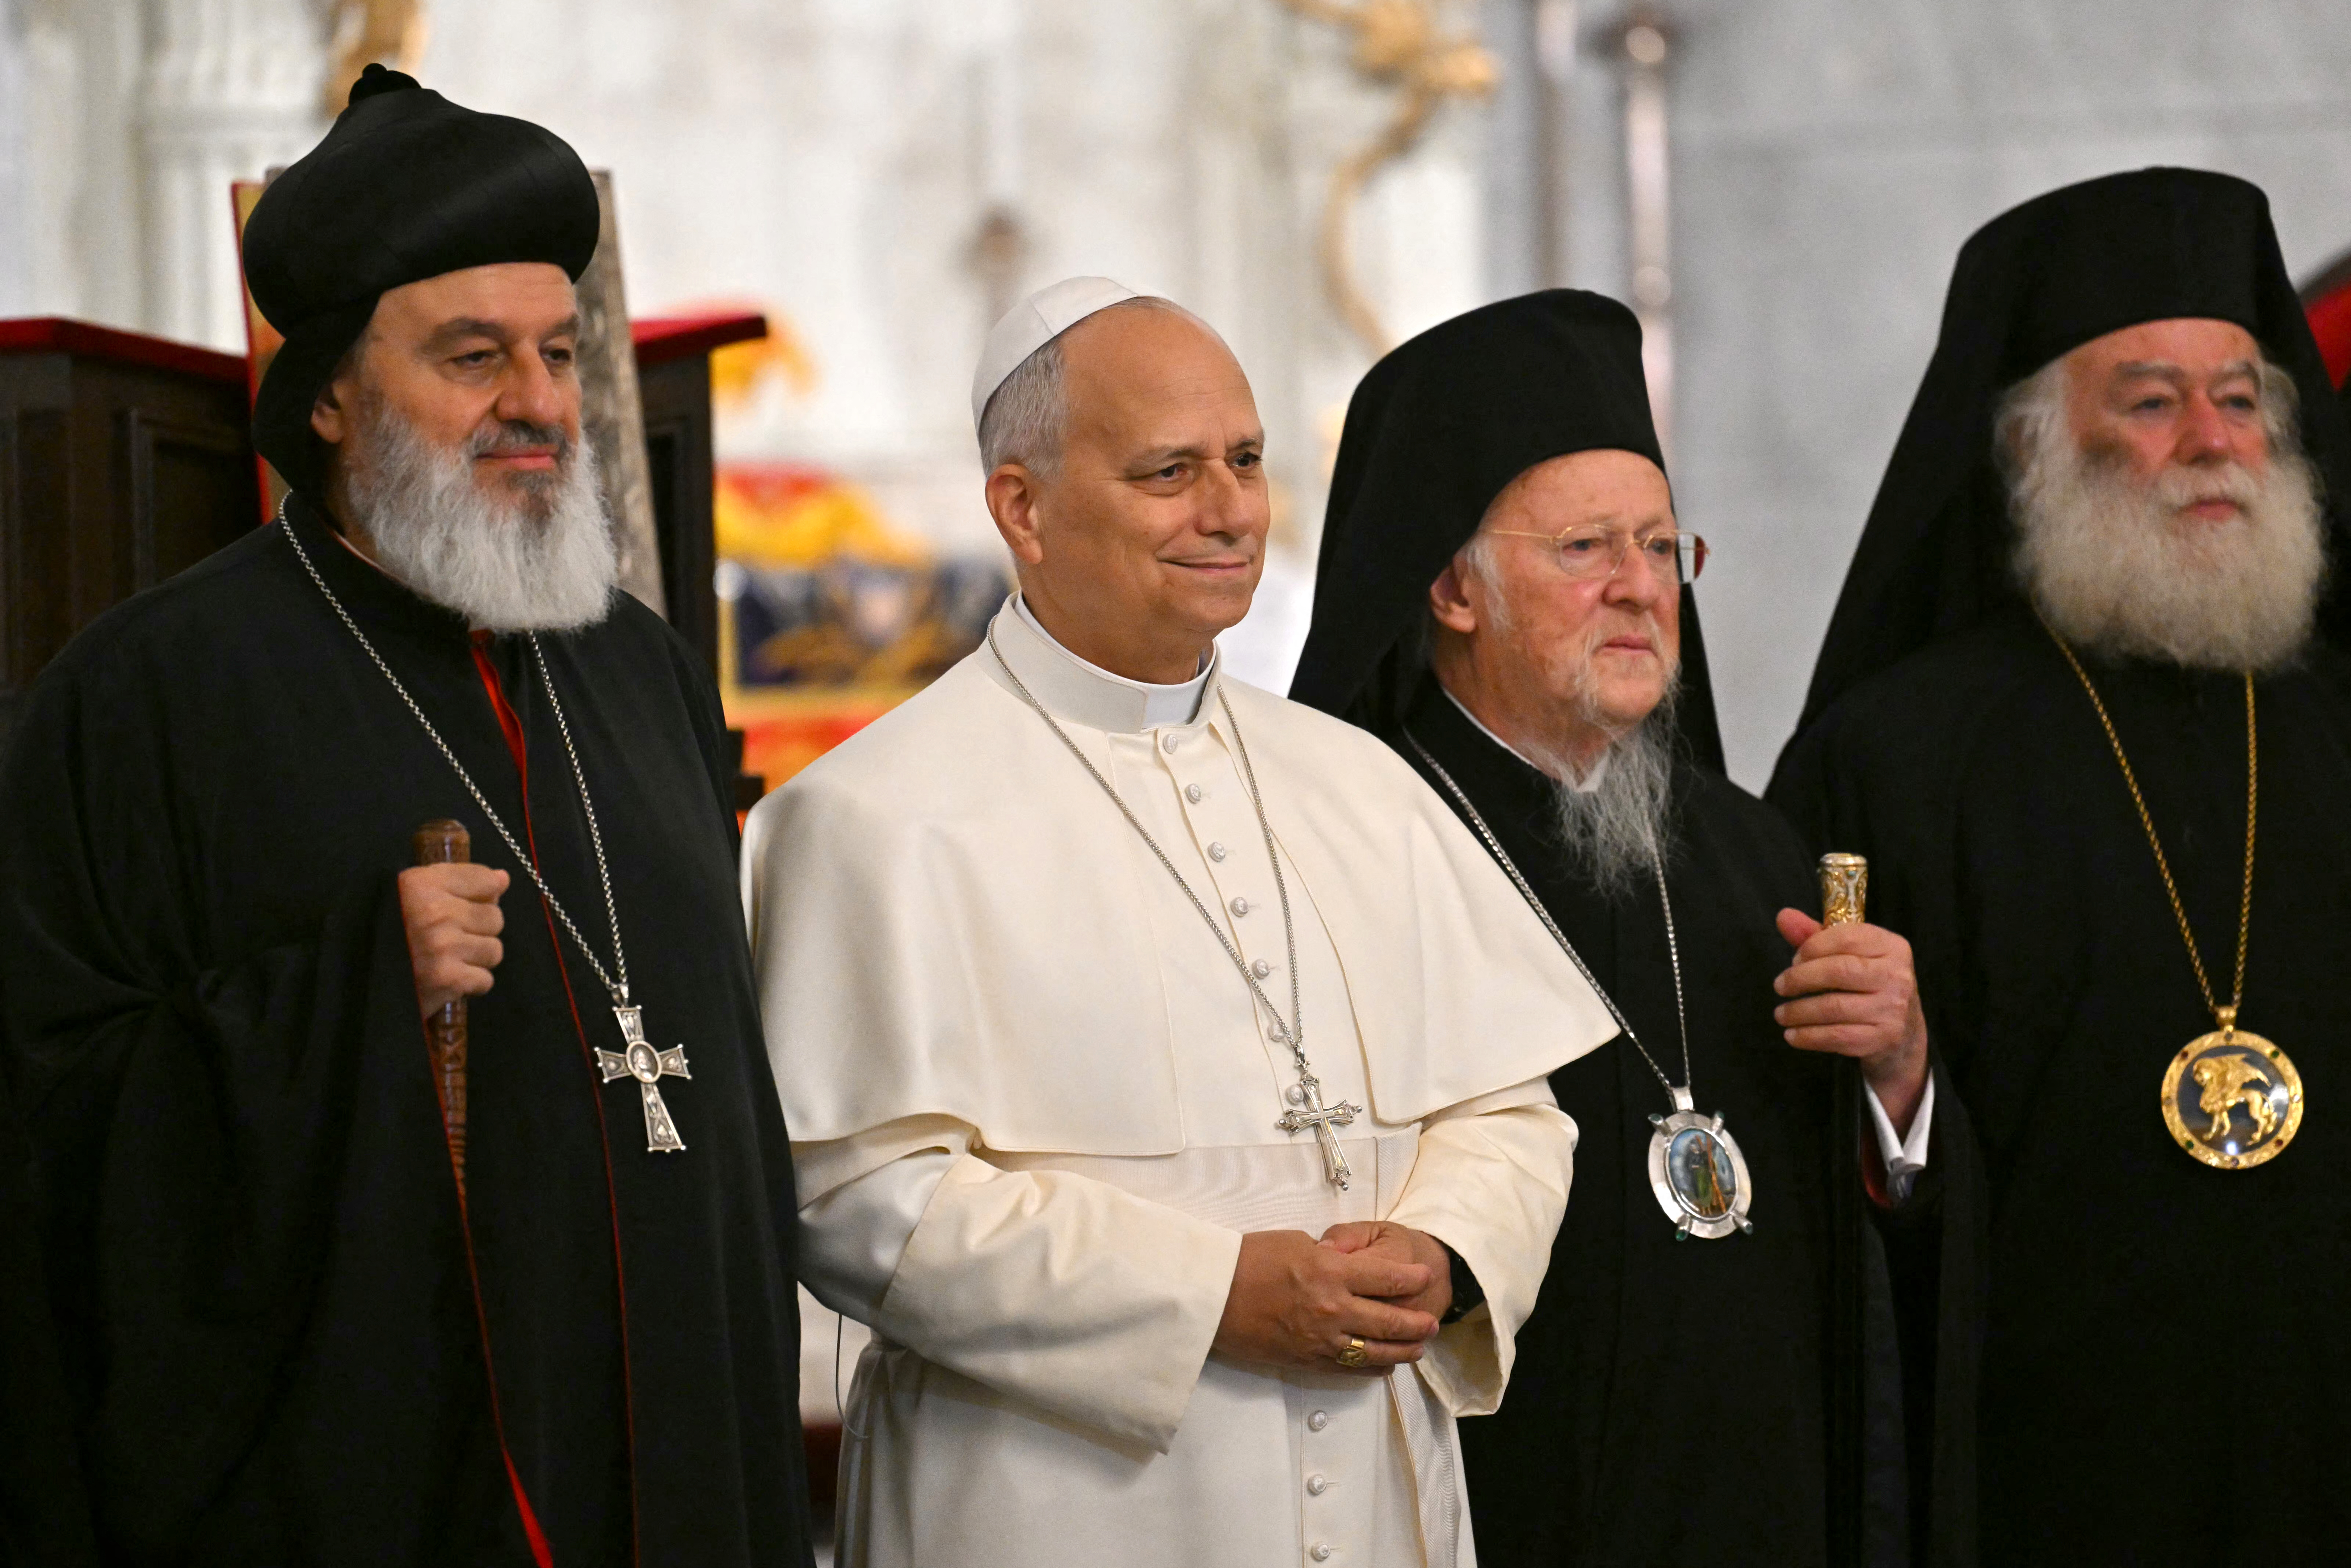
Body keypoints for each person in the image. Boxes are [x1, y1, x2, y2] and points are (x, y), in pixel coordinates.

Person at [0, 68, 813, 1564]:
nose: (540, 403)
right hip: (367, 1489)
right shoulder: (150, 696)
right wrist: (349, 994)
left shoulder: (638, 668)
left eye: (562, 353)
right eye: (473, 357)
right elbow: (51, 1134)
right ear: (327, 392)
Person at [743, 277, 1619, 1567]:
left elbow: (1507, 1109)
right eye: (1168, 471)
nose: (1227, 512)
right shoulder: (872, 817)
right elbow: (854, 1197)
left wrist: (1445, 1247)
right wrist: (1210, 1296)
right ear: (1021, 508)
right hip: (1050, 1504)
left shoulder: (1361, 783)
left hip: (1378, 1492)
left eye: (1246, 462)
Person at [1292, 289, 1981, 1568]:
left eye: (1661, 550)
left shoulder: (1748, 849)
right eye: (1583, 552)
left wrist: (1898, 1075)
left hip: (1759, 1501)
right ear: (1450, 586)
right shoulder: (1339, 852)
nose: (1638, 590)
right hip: (1494, 1500)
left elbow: (1862, 1253)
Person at [1770, 167, 2351, 1565]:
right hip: (2046, 1462)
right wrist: (1896, 1090)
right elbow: (1803, 1152)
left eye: (2239, 398)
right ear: (2033, 450)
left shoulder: (2336, 716)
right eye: (2149, 403)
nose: (2211, 440)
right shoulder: (1896, 756)